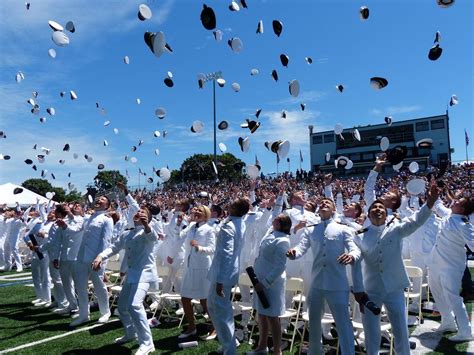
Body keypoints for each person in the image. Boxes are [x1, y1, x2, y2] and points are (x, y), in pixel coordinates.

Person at [352, 183, 439, 355]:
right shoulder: (360, 235)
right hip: (371, 290)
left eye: (381, 207)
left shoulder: (396, 229)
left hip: (394, 289)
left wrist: (429, 203)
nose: (378, 209)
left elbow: (416, 220)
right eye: (374, 207)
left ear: (386, 213)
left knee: (400, 330)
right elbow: (356, 264)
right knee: (371, 333)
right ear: (368, 214)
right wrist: (359, 291)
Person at [287, 198, 360, 355]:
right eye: (322, 203)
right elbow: (301, 248)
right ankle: (315, 351)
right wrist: (294, 253)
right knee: (313, 323)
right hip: (317, 284)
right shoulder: (310, 230)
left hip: (337, 284)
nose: (324, 204)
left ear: (334, 209)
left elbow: (355, 249)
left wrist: (352, 256)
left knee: (343, 323)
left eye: (328, 202)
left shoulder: (343, 229)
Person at [93, 207, 158, 355]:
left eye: (144, 212)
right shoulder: (127, 233)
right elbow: (113, 248)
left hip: (144, 275)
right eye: (138, 211)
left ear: (148, 218)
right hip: (132, 275)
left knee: (134, 305)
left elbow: (152, 237)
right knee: (122, 307)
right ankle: (130, 334)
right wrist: (100, 256)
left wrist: (147, 224)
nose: (139, 213)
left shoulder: (148, 231)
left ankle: (147, 343)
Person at [428, 196, 474, 341]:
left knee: (452, 296)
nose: (454, 201)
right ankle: (448, 321)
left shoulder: (464, 224)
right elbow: (437, 204)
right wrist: (435, 188)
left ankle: (465, 331)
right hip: (436, 261)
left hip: (451, 264)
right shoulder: (449, 214)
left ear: (463, 209)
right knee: (436, 290)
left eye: (459, 201)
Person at [207, 198, 250, 355]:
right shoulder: (237, 221)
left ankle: (230, 348)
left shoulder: (229, 226)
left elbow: (226, 255)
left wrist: (220, 280)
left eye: (232, 204)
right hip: (224, 272)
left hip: (222, 274)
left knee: (222, 312)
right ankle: (228, 342)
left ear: (233, 208)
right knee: (213, 307)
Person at [249, 214, 291, 355]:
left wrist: (266, 283)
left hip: (272, 283)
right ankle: (262, 346)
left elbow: (280, 266)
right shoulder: (271, 233)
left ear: (279, 224)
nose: (272, 219)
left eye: (275, 219)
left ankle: (277, 350)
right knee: (261, 314)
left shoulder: (283, 240)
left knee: (273, 317)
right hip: (259, 279)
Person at [71, 195, 113, 327]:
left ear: (106, 206)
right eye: (98, 198)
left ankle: (105, 312)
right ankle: (84, 314)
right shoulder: (89, 217)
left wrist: (100, 257)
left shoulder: (107, 219)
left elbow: (106, 240)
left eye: (102, 200)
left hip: (96, 258)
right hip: (82, 256)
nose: (99, 200)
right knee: (80, 286)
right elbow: (78, 229)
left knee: (99, 285)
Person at [178, 205, 216, 339]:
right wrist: (179, 223)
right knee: (185, 297)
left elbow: (212, 249)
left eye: (200, 211)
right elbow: (179, 236)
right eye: (195, 210)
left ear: (206, 215)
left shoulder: (209, 230)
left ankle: (214, 327)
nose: (196, 212)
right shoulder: (191, 226)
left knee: (205, 300)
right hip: (189, 267)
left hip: (203, 268)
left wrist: (199, 247)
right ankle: (191, 327)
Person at [53, 203, 84, 315]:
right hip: (64, 257)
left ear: (82, 210)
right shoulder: (64, 220)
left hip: (76, 257)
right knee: (66, 284)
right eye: (74, 205)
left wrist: (65, 224)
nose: (76, 206)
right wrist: (56, 257)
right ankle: (72, 305)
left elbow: (75, 230)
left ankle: (83, 309)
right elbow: (57, 242)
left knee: (79, 285)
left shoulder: (82, 220)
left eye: (78, 206)